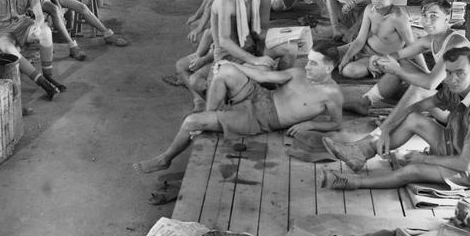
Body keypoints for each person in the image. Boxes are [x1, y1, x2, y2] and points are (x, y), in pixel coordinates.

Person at [134, 44, 343, 174]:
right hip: (261, 95)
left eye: (314, 64)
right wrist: (232, 66)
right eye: (308, 61)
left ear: (328, 67)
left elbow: (336, 123)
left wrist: (311, 124)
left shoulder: (332, 95)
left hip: (260, 119)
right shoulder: (299, 73)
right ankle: (210, 116)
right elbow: (264, 77)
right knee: (224, 71)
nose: (307, 66)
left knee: (190, 122)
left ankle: (165, 159)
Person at [322, 47, 470, 191]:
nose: (452, 79)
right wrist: (385, 129)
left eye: (460, 73)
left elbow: (464, 163)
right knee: (413, 119)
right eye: (448, 73)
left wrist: (425, 159)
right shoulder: (456, 88)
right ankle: (361, 153)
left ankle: (354, 182)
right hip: (455, 143)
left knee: (412, 170)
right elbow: (418, 106)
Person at [345, 0, 470, 117]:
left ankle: (380, 134)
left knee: (416, 89)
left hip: (467, 108)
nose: (427, 21)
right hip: (450, 95)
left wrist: (396, 70)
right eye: (424, 15)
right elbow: (398, 54)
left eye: (433, 15)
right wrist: (376, 59)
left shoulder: (455, 44)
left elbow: (430, 83)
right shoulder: (430, 39)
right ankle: (365, 101)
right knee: (401, 63)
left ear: (447, 17)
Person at [336, 0, 422, 79]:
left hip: (381, 57)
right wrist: (347, 57)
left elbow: (413, 46)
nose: (377, 0)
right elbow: (360, 40)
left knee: (349, 71)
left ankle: (373, 66)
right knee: (324, 55)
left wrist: (426, 72)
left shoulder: (398, 17)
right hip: (364, 48)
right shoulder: (369, 10)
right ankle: (351, 58)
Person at [176, 0, 237, 112]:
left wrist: (203, 59)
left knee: (196, 80)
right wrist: (198, 55)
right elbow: (210, 33)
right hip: (217, 50)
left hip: (232, 56)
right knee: (181, 66)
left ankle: (217, 111)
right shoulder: (221, 0)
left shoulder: (235, 6)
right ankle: (199, 100)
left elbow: (228, 47)